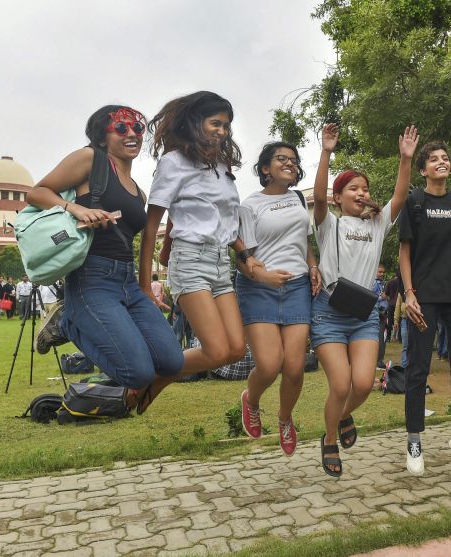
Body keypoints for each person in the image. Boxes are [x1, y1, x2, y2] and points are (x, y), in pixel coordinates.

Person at [29, 104, 184, 396]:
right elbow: (37, 192)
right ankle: (67, 321)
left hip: (127, 282)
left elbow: (145, 240)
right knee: (137, 374)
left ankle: (73, 319)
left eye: (138, 128)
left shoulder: (139, 191)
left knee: (172, 362)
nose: (133, 134)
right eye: (121, 128)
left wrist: (146, 290)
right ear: (102, 137)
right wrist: (74, 208)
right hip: (92, 278)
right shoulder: (91, 159)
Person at [138, 91, 256, 413]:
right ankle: (152, 376)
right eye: (215, 123)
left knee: (234, 350)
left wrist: (244, 255)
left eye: (226, 126)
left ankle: (157, 379)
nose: (222, 130)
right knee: (215, 351)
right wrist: (145, 284)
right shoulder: (173, 163)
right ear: (195, 122)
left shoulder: (221, 166)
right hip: (190, 260)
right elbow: (152, 227)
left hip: (220, 262)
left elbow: (226, 224)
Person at [313, 123, 417, 477]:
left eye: (365, 189)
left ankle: (342, 415)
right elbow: (318, 194)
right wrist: (326, 152)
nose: (361, 193)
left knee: (363, 384)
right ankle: (329, 439)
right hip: (328, 312)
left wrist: (406, 159)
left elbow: (399, 198)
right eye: (353, 188)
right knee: (340, 384)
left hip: (364, 314)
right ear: (338, 197)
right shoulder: (329, 224)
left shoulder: (377, 224)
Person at [398, 140, 451, 477]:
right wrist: (409, 293)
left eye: (446, 158)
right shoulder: (415, 202)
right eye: (434, 159)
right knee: (417, 369)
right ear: (423, 169)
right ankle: (414, 440)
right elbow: (405, 252)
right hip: (424, 297)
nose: (442, 162)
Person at [237, 140, 321, 457]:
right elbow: (242, 257)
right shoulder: (250, 204)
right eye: (281, 158)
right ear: (264, 168)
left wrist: (313, 266)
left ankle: (285, 418)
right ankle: (252, 400)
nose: (290, 163)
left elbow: (304, 244)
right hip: (259, 288)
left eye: (294, 160)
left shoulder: (299, 199)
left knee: (296, 368)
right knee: (270, 366)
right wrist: (263, 276)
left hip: (298, 286)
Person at [373, 264, 389, 368]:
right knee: (379, 337)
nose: (381, 274)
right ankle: (378, 361)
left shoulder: (383, 283)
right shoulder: (374, 283)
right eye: (379, 272)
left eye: (383, 272)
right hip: (377, 314)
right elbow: (371, 297)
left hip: (384, 314)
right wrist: (382, 297)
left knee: (383, 337)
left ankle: (380, 360)